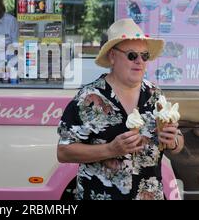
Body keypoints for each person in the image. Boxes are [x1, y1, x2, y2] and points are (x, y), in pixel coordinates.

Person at [57, 18, 184, 200]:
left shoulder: (154, 94)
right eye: (132, 55)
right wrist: (110, 149)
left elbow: (178, 142)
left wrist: (173, 142)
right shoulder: (88, 98)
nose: (139, 61)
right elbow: (63, 151)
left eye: (144, 55)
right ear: (112, 56)